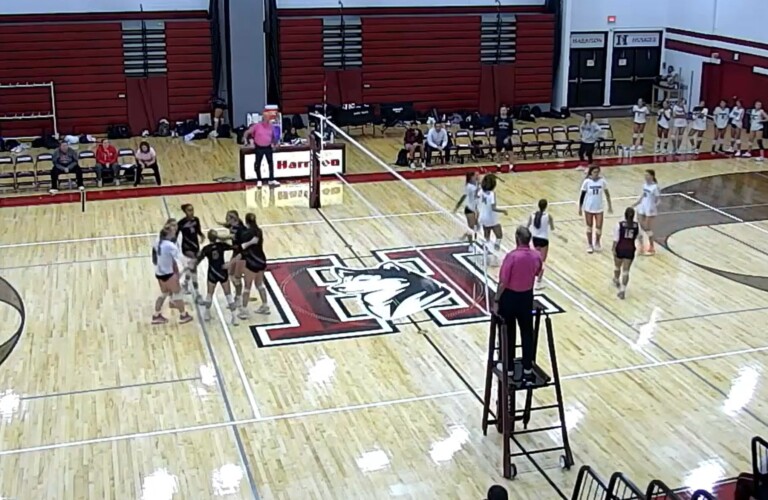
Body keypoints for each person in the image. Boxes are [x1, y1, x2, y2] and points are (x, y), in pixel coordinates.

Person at [494, 226, 542, 384]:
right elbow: (537, 272)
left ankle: (508, 367)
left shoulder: (512, 257)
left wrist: (496, 300)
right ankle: (528, 368)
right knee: (527, 332)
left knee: (508, 332)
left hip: (510, 297)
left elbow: (503, 282)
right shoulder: (536, 256)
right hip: (527, 297)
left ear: (517, 238)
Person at [151, 221, 193, 325]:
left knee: (163, 294)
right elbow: (181, 258)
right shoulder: (170, 245)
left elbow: (155, 255)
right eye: (173, 231)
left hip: (159, 273)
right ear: (169, 233)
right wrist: (188, 264)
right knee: (177, 295)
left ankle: (156, 315)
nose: (175, 232)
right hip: (169, 274)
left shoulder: (157, 242)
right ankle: (183, 315)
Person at [197, 229, 238, 323]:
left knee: (209, 294)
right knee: (228, 295)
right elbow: (234, 247)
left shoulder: (206, 248)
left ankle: (207, 314)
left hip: (212, 273)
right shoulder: (221, 245)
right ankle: (234, 317)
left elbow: (199, 259)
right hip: (222, 272)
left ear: (208, 238)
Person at [234, 213, 270, 317]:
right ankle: (265, 306)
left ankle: (244, 311)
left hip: (252, 261)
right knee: (259, 285)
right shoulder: (259, 231)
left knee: (247, 287)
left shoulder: (246, 233)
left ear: (246, 221)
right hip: (261, 260)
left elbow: (242, 246)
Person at [579, 165, 613, 253]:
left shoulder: (602, 181)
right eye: (594, 172)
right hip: (589, 207)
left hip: (599, 207)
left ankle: (597, 242)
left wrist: (610, 205)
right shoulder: (587, 182)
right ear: (591, 172)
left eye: (598, 172)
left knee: (599, 227)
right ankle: (590, 244)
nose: (596, 174)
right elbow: (582, 196)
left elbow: (607, 194)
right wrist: (580, 207)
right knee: (589, 227)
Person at [220, 210, 248, 317]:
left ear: (233, 219)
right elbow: (228, 226)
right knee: (230, 275)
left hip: (241, 256)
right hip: (235, 253)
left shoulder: (239, 230)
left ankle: (239, 298)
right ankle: (237, 296)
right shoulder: (235, 225)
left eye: (227, 218)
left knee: (236, 278)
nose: (226, 220)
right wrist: (220, 223)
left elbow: (230, 238)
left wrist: (216, 238)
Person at [243, 115, 280, 187]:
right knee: (257, 164)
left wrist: (275, 144)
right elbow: (247, 132)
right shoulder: (256, 126)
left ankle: (271, 179)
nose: (267, 121)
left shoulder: (271, 126)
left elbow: (274, 137)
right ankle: (259, 180)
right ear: (262, 120)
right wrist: (245, 140)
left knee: (270, 163)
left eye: (268, 120)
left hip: (268, 147)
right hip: (259, 147)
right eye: (266, 119)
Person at [612, 207, 640, 300]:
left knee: (617, 266)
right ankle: (623, 291)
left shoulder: (619, 225)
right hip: (630, 249)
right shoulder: (636, 225)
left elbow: (616, 239)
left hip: (620, 247)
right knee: (626, 271)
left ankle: (616, 280)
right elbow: (637, 237)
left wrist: (613, 248)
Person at [527, 199, 555, 289]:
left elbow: (527, 226)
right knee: (542, 261)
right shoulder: (548, 216)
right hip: (544, 239)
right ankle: (539, 280)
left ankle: (532, 276)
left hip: (535, 239)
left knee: (536, 260)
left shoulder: (532, 215)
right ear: (546, 206)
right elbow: (552, 228)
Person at [177, 203, 204, 297]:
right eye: (189, 210)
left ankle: (185, 283)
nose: (191, 212)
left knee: (192, 266)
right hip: (186, 248)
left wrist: (202, 236)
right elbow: (175, 236)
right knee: (194, 268)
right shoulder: (181, 223)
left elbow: (199, 231)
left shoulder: (196, 220)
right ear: (185, 212)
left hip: (195, 246)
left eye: (192, 210)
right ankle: (197, 293)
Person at [478, 174, 508, 257]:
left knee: (486, 236)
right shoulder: (492, 194)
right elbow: (493, 208)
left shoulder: (481, 191)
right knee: (499, 235)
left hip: (482, 216)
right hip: (491, 217)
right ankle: (496, 249)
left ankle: (486, 251)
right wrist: (503, 211)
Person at [632, 169, 660, 255]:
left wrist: (654, 207)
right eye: (645, 175)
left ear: (652, 176)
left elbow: (658, 199)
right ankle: (641, 246)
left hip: (650, 208)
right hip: (642, 207)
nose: (646, 177)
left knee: (647, 228)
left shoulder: (655, 187)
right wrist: (637, 203)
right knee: (639, 227)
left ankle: (652, 246)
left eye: (647, 175)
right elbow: (643, 195)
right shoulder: (644, 185)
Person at [453, 171, 480, 240]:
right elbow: (463, 197)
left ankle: (469, 238)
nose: (478, 176)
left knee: (476, 227)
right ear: (471, 177)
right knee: (471, 227)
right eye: (476, 175)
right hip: (470, 209)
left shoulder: (478, 184)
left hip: (477, 209)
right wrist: (457, 207)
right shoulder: (469, 186)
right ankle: (469, 242)